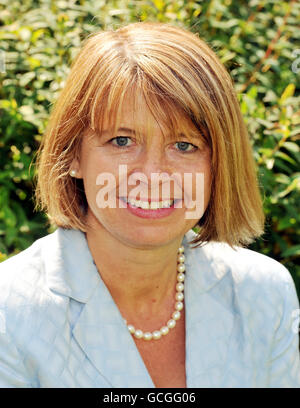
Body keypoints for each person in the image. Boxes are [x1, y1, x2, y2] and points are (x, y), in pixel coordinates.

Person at [0, 21, 299, 388]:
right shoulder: (10, 312)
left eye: (184, 145)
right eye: (122, 141)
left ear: (219, 164)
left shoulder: (265, 293)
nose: (152, 175)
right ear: (73, 153)